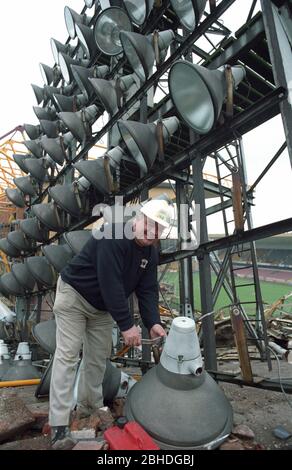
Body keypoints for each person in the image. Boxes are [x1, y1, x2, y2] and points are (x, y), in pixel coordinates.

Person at [49, 197, 173, 449]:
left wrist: (153, 323)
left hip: (101, 307)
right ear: (138, 219)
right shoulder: (113, 235)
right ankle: (59, 426)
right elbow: (111, 283)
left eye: (159, 229)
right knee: (68, 355)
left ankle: (89, 409)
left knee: (97, 357)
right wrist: (127, 325)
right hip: (75, 295)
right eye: (149, 224)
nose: (152, 232)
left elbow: (147, 290)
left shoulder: (150, 252)